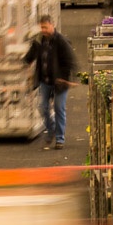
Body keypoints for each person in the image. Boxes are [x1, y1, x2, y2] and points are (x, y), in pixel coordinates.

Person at [24, 14, 76, 150]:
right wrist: (25, 62)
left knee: (59, 108)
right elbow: (31, 55)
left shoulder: (61, 41)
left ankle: (59, 138)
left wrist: (66, 78)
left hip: (59, 82)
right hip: (45, 81)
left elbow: (70, 60)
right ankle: (51, 128)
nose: (44, 30)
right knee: (43, 107)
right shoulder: (40, 41)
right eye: (42, 27)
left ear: (52, 25)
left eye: (45, 27)